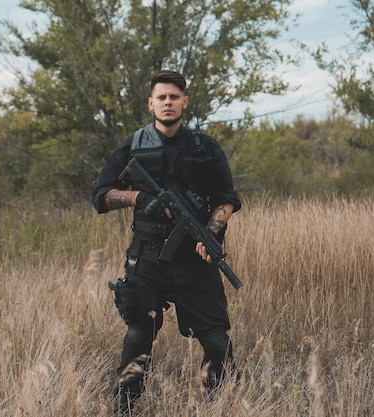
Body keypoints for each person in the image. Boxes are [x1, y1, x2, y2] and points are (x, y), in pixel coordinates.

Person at [91, 69, 242, 416]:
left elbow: (226, 197)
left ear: (184, 102)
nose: (168, 102)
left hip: (195, 257)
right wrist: (137, 199)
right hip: (147, 258)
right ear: (151, 103)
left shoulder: (205, 147)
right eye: (162, 97)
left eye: (174, 97)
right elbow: (100, 196)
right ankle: (124, 407)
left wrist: (214, 230)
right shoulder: (132, 145)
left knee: (218, 341)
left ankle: (216, 403)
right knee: (138, 336)